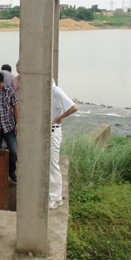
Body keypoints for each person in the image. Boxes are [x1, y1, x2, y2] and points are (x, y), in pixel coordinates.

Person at [49, 80, 78, 209]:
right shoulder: (47, 92)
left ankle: (56, 198)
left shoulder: (56, 91)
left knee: (53, 164)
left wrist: (58, 118)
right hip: (48, 132)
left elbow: (74, 107)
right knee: (48, 164)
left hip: (53, 131)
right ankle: (53, 196)